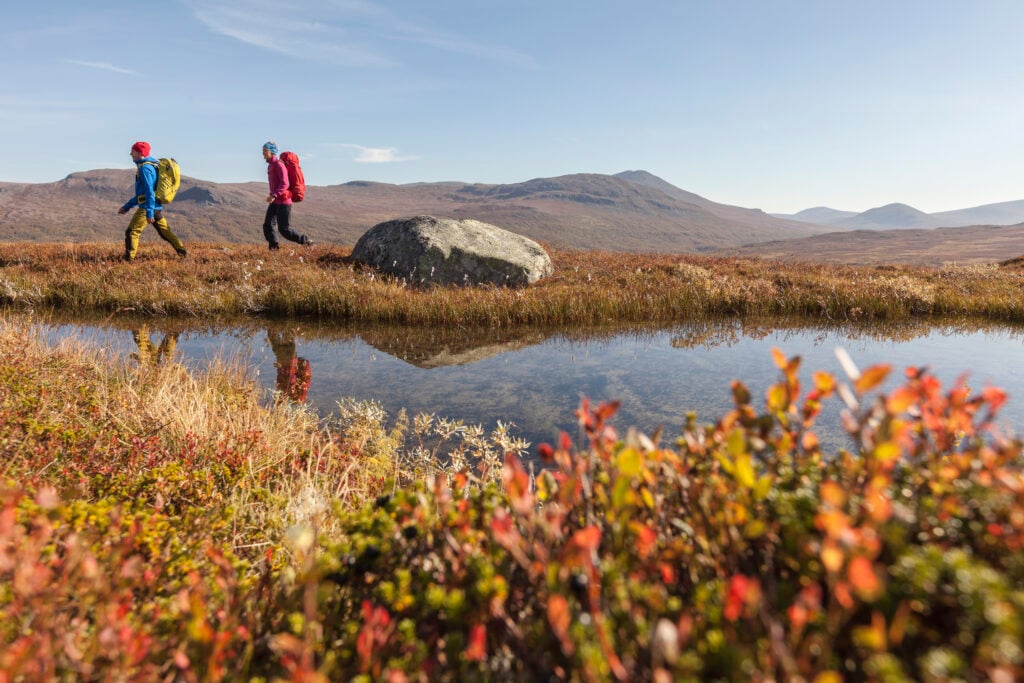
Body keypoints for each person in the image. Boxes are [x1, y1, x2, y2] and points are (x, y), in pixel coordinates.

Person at [118, 141, 187, 261]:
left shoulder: (145, 168)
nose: (130, 154)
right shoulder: (153, 165)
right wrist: (127, 206)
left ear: (140, 153)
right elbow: (143, 194)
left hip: (147, 207)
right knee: (165, 232)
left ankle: (129, 260)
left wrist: (149, 212)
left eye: (133, 152)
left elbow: (149, 192)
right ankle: (183, 253)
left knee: (132, 232)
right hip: (155, 206)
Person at [262, 141, 312, 250]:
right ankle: (274, 249)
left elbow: (285, 183)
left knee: (284, 229)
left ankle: (306, 241)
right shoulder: (271, 165)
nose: (263, 153)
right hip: (275, 201)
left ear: (272, 152)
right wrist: (274, 196)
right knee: (268, 226)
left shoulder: (279, 165)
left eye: (265, 151)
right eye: (263, 151)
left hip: (284, 202)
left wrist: (274, 195)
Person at [268, 328, 312, 403]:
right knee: (283, 336)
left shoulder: (297, 393)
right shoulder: (298, 395)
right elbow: (304, 375)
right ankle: (280, 325)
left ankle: (278, 324)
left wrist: (281, 366)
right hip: (288, 361)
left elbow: (304, 375)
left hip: (287, 361)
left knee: (279, 335)